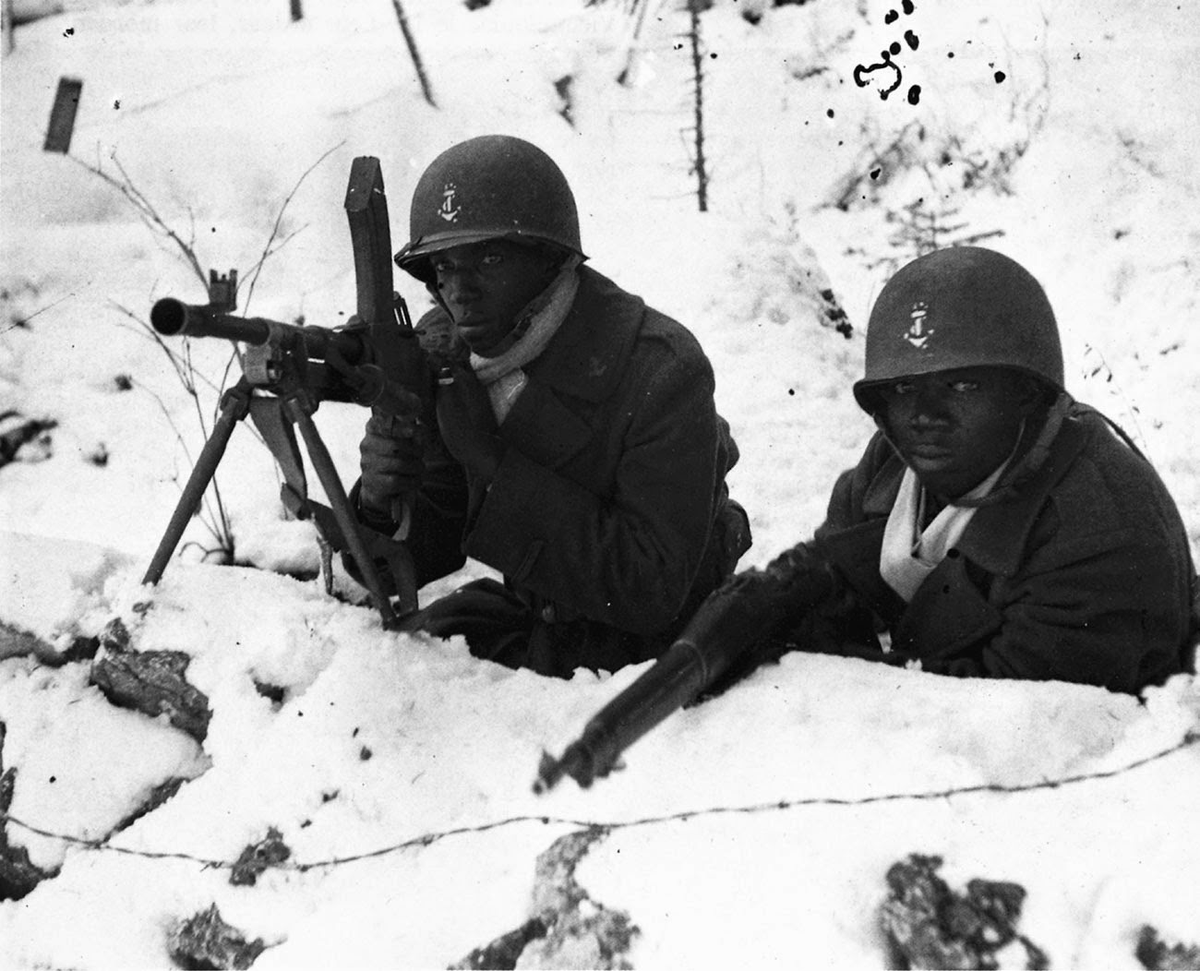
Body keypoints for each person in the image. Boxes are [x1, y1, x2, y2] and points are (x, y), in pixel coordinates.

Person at [685, 246, 1196, 695]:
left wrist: (813, 662)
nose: (925, 416)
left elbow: (1019, 707)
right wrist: (765, 602)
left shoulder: (1096, 523)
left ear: (1025, 393)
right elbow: (838, 567)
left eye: (962, 387)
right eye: (904, 389)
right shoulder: (896, 464)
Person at [350, 134, 751, 678]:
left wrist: (490, 462)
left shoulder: (659, 368)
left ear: (549, 261)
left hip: (661, 651)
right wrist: (381, 498)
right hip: (536, 618)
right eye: (442, 267)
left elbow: (652, 587)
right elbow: (424, 551)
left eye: (487, 259)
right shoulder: (452, 352)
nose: (458, 291)